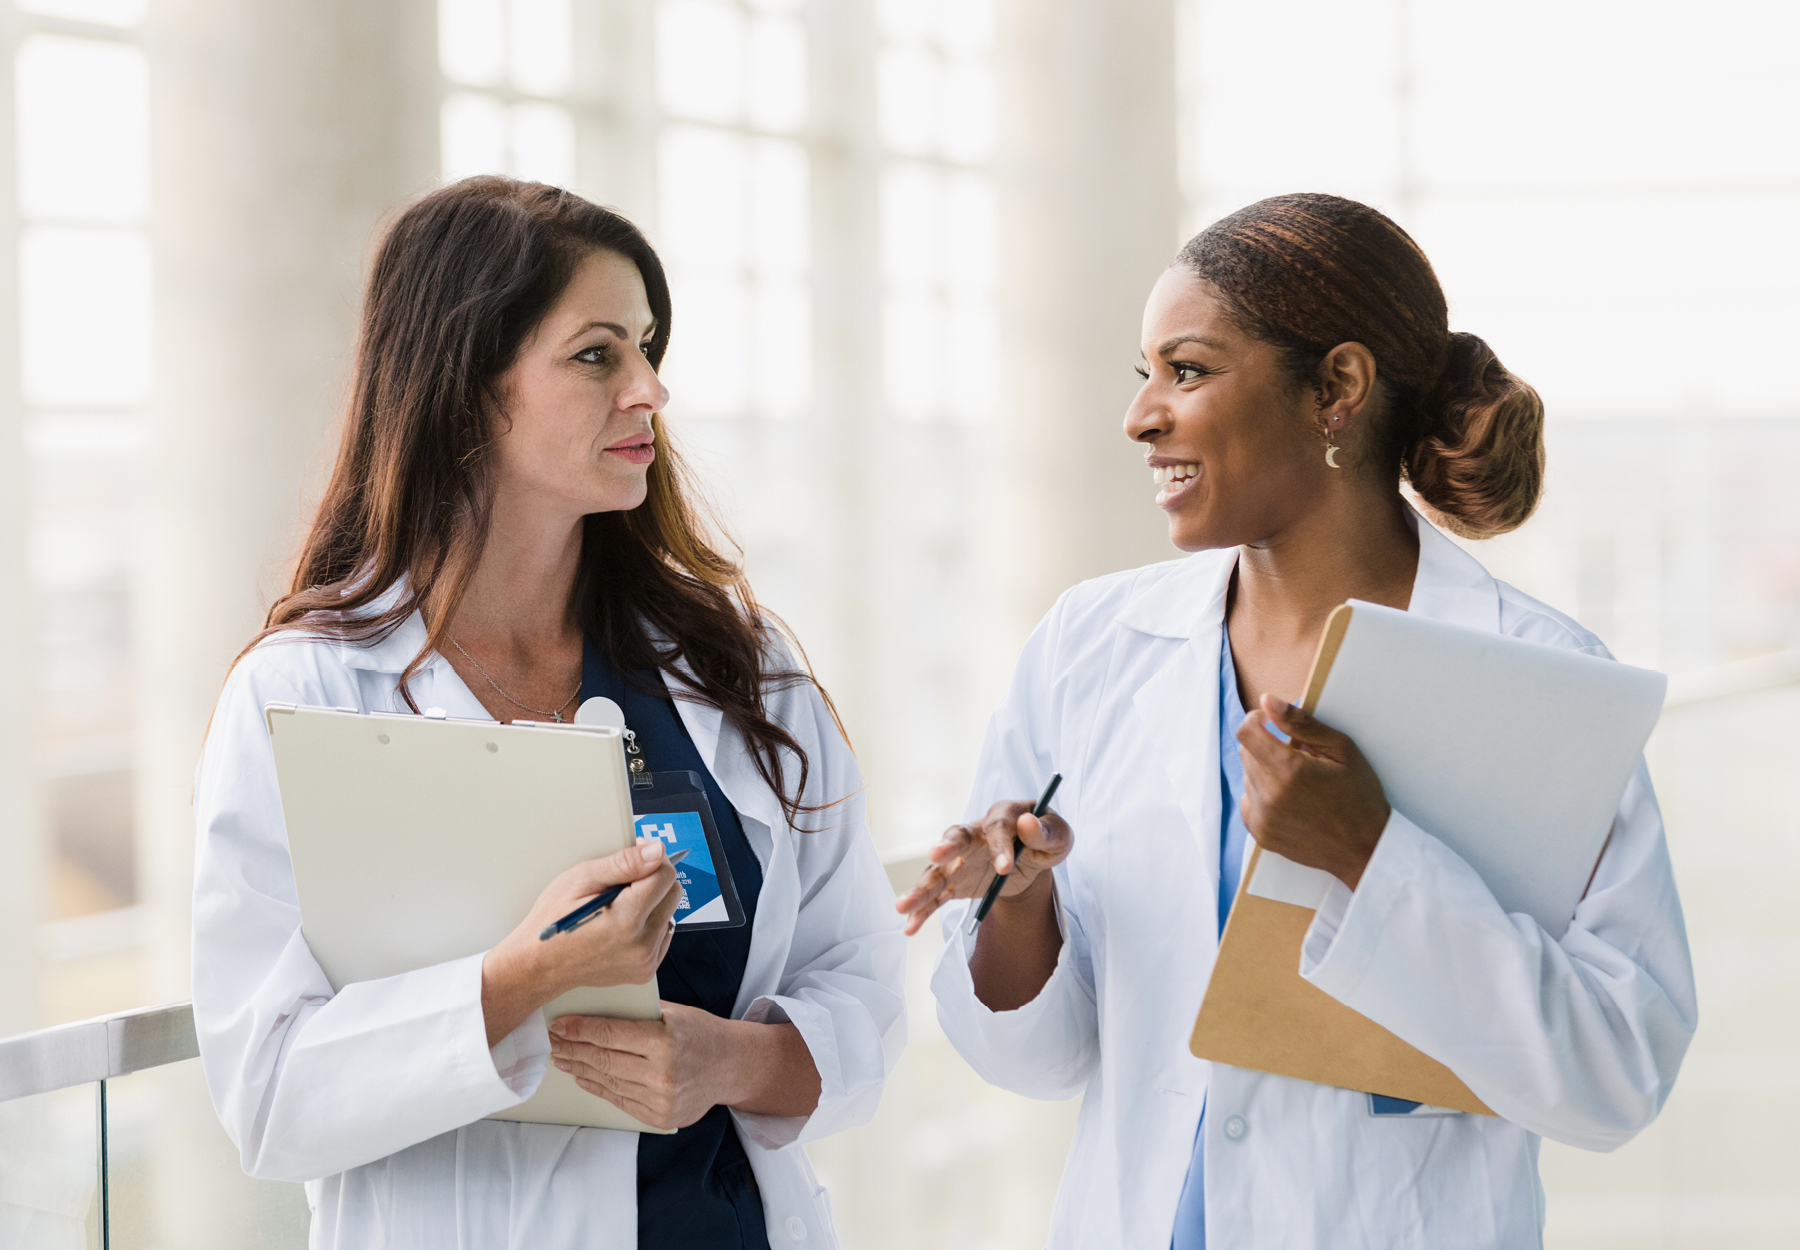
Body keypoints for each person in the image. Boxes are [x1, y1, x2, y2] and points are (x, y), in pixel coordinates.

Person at [897, 193, 1695, 1248]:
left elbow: (1617, 1071)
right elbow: (1037, 1057)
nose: (1142, 415)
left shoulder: (1538, 674)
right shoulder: (1090, 644)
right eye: (1143, 375)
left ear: (1338, 389)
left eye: (1186, 370)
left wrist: (1372, 855)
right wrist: (1015, 904)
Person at [192, 177, 905, 1250]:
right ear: (469, 383)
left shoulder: (737, 666)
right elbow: (269, 1091)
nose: (650, 390)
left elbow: (863, 989)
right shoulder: (302, 692)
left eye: (649, 348)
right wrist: (527, 976)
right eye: (598, 354)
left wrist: (729, 1060)